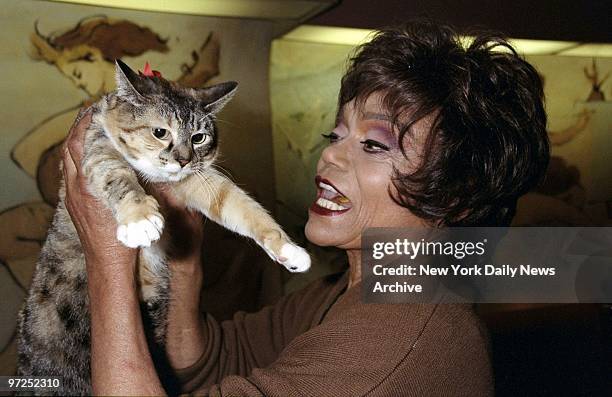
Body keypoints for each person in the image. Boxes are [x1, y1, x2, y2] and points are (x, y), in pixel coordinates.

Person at [61, 22, 549, 396]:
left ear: (455, 194)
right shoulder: (345, 290)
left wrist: (107, 256)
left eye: (375, 145)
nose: (330, 156)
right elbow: (207, 358)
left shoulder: (399, 339)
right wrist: (183, 248)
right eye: (334, 135)